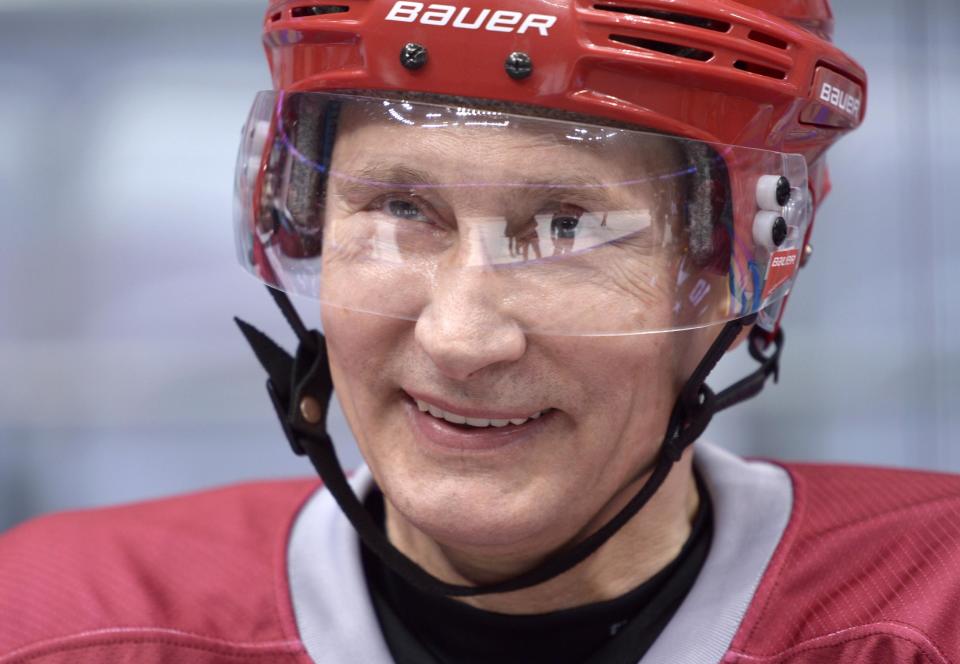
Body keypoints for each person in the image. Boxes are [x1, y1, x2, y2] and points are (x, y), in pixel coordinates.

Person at [2, 1, 959, 663]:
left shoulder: (931, 609)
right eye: (401, 209)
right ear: (291, 213)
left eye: (566, 228)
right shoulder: (56, 619)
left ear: (750, 256)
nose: (462, 339)